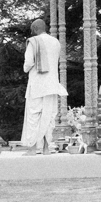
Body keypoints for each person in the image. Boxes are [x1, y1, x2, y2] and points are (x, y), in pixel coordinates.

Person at [20, 19, 66, 153]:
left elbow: (28, 64)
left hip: (37, 84)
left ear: (34, 28)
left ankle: (32, 148)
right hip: (52, 84)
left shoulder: (33, 42)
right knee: (49, 116)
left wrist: (25, 68)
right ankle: (46, 147)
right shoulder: (56, 42)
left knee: (34, 115)